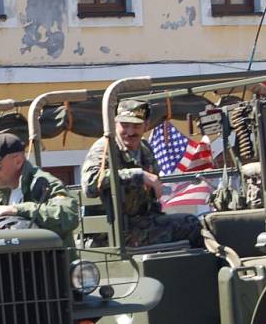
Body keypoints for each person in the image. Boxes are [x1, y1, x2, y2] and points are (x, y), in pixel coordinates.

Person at [81, 99, 203, 248]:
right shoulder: (105, 147)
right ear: (115, 124)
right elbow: (91, 183)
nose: (130, 132)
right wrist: (139, 175)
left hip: (142, 223)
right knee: (191, 226)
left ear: (146, 125)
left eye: (136, 126)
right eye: (124, 125)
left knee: (203, 223)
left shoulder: (144, 148)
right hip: (112, 233)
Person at [0, 132, 79, 247]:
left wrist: (17, 209)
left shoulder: (43, 183)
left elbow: (68, 215)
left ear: (17, 161)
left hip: (51, 260)